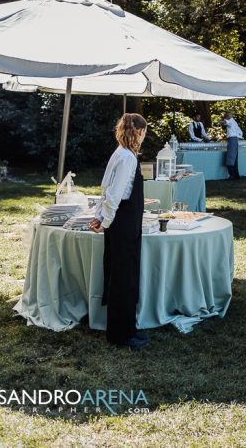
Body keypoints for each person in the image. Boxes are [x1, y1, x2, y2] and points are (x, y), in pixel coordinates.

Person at [87, 113, 149, 350]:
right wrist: (105, 220)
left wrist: (100, 217)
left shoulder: (119, 153)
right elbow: (113, 195)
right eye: (145, 133)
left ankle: (124, 328)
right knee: (124, 278)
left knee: (118, 274)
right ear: (140, 132)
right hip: (123, 223)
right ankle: (122, 334)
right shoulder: (128, 158)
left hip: (118, 222)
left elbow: (105, 190)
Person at [223, 112, 243, 180]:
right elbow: (240, 132)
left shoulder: (230, 121)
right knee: (234, 158)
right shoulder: (234, 122)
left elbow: (226, 122)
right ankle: (235, 175)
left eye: (225, 116)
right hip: (234, 140)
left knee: (230, 157)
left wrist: (221, 121)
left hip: (232, 140)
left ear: (228, 116)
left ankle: (232, 175)